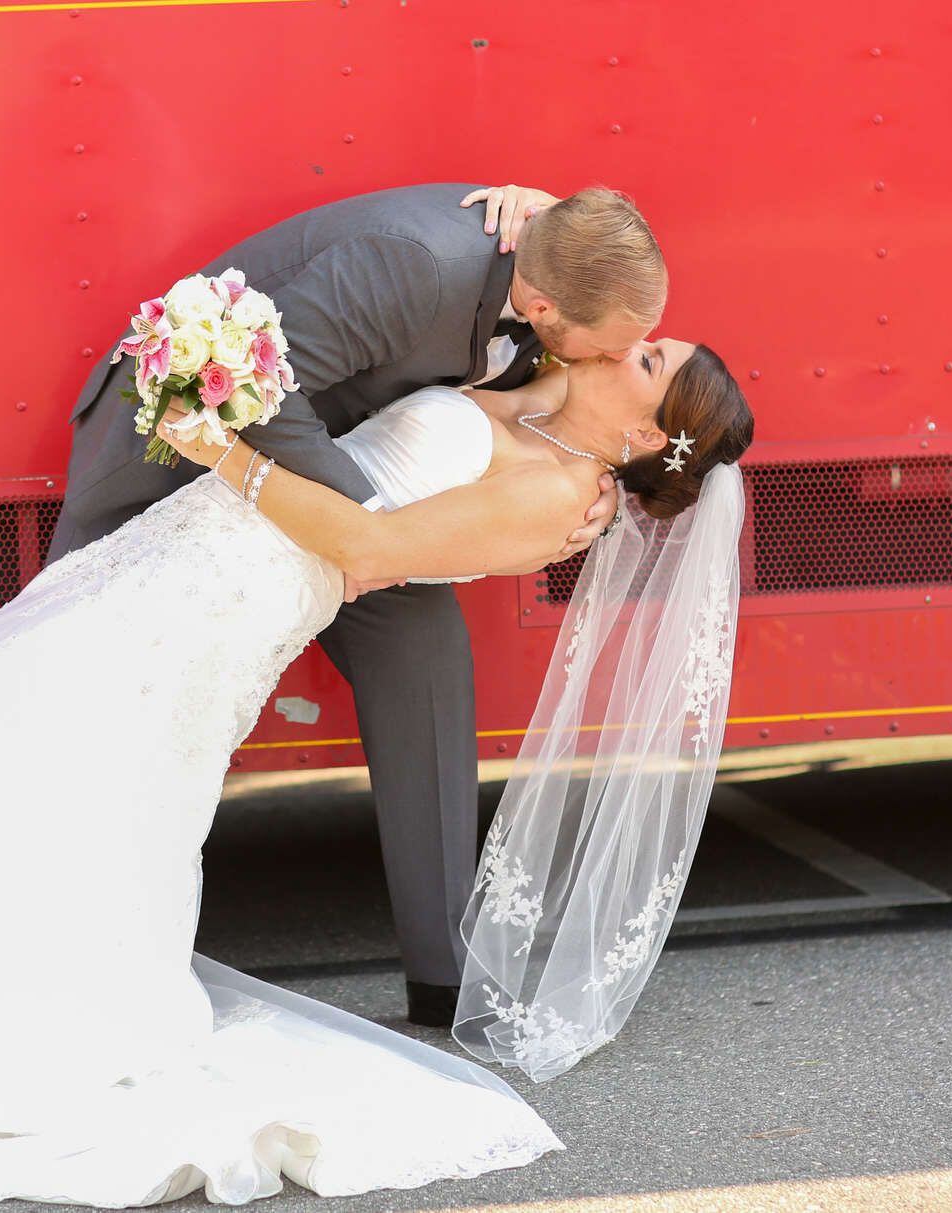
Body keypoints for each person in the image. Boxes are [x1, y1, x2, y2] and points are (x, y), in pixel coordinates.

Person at [0, 314, 754, 1203]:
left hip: (243, 591)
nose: (630, 345)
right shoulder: (526, 383)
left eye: (651, 361)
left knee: (63, 771)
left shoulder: (556, 492)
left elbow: (370, 550)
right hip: (200, 541)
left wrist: (226, 452)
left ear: (646, 432)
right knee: (19, 744)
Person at [49, 183, 666, 1028]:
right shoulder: (417, 264)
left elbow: (560, 392)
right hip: (180, 445)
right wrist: (369, 530)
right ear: (547, 304)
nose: (612, 360)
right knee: (71, 696)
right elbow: (259, 391)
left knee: (427, 664)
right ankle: (28, 949)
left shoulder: (547, 263)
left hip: (342, 469)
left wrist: (593, 491)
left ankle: (448, 976)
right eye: (613, 348)